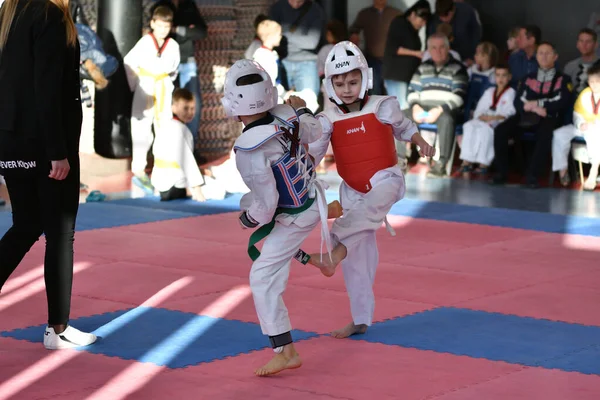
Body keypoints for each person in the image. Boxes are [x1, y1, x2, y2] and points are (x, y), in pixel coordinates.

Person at [308, 41, 435, 338]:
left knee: (363, 213)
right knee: (359, 258)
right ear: (330, 85)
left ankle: (334, 251)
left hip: (385, 179)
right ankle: (360, 318)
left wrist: (421, 142)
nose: (347, 89)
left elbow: (404, 128)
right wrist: (299, 172)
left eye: (353, 81)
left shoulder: (382, 105)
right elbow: (313, 153)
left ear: (365, 78)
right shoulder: (326, 119)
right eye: (339, 84)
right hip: (352, 187)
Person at [222, 59, 340, 376]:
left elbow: (268, 203)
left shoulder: (249, 150)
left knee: (262, 276)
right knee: (271, 242)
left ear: (232, 102)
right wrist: (301, 112)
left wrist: (249, 220)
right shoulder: (288, 114)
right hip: (310, 195)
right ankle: (318, 230)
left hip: (294, 215)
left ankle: (285, 350)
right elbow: (315, 133)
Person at [0, 0, 96, 349]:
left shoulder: (11, 13)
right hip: (45, 145)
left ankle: (58, 328)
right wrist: (58, 152)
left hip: (11, 140)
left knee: (26, 224)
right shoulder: (50, 16)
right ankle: (58, 329)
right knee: (60, 233)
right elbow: (47, 89)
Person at [124, 6, 180, 194]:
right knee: (141, 128)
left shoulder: (173, 45)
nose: (163, 30)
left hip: (164, 88)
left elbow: (174, 71)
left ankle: (161, 169)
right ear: (153, 23)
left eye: (167, 26)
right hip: (145, 86)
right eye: (160, 25)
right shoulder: (145, 42)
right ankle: (139, 168)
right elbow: (129, 62)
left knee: (164, 128)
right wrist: (136, 84)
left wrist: (166, 81)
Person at [151, 88, 226, 201]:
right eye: (185, 108)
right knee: (219, 191)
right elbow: (187, 160)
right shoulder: (180, 128)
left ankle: (164, 190)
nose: (190, 112)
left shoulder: (165, 125)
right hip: (175, 185)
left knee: (209, 172)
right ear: (173, 107)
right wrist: (198, 191)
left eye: (192, 108)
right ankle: (189, 191)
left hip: (161, 182)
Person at [459, 64, 516, 178]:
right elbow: (480, 108)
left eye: (504, 75)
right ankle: (467, 161)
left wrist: (493, 118)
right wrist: (481, 116)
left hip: (498, 121)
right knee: (469, 126)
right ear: (494, 77)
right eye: (498, 75)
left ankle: (483, 163)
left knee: (485, 130)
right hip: (484, 118)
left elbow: (509, 112)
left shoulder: (511, 92)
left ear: (509, 77)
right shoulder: (490, 91)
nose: (500, 78)